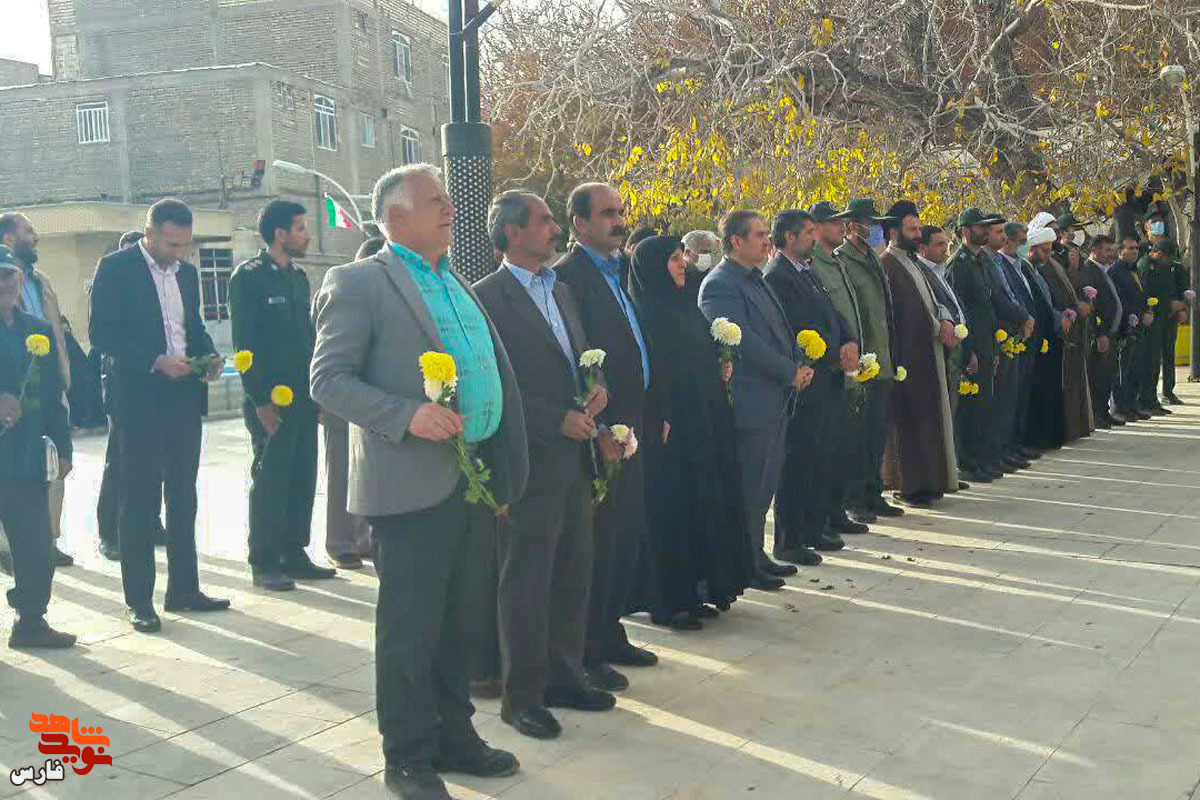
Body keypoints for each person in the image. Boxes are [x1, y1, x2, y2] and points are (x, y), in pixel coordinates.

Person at [310, 165, 528, 799]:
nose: (449, 207)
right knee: (411, 628)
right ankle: (406, 756)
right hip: (409, 486)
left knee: (461, 620)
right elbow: (328, 379)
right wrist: (407, 416)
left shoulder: (454, 281)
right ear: (395, 216)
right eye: (435, 199)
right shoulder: (359, 282)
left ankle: (455, 737)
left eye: (447, 198)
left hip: (472, 478)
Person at [474, 191, 615, 740]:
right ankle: (523, 698)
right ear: (512, 232)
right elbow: (494, 385)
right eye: (544, 221)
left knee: (573, 570)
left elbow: (580, 358)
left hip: (575, 459)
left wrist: (597, 388)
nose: (555, 228)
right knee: (526, 581)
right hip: (528, 460)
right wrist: (555, 420)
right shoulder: (488, 298)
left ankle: (565, 678)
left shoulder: (561, 290)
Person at [89, 199, 231, 633]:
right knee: (140, 499)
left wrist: (208, 357)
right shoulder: (115, 268)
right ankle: (139, 601)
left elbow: (193, 328)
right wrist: (154, 360)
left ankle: (184, 589)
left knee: (184, 496)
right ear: (149, 234)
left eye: (185, 244)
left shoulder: (186, 274)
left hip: (183, 396)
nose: (179, 253)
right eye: (172, 244)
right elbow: (102, 335)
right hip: (138, 399)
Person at [554, 182, 661, 693]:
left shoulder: (621, 270)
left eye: (620, 212)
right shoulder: (567, 278)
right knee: (596, 543)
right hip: (601, 430)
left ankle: (611, 631)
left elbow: (636, 346)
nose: (619, 221)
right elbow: (572, 357)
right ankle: (587, 649)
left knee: (623, 535)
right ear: (578, 223)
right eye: (606, 214)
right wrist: (598, 427)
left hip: (633, 423)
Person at [630, 235, 754, 622]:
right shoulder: (646, 313)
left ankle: (697, 589)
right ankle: (670, 600)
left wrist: (720, 362)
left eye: (680, 256)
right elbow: (655, 372)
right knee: (672, 512)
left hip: (702, 422)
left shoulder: (685, 305)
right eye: (673, 259)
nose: (683, 263)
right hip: (672, 429)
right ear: (654, 268)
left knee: (700, 507)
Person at [699, 210, 812, 591]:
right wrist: (788, 371)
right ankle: (743, 562)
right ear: (736, 241)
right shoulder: (720, 285)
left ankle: (756, 554)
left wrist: (799, 363)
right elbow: (743, 341)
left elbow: (779, 331)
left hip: (774, 399)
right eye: (760, 235)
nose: (767, 241)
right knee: (748, 488)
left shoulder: (756, 278)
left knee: (764, 487)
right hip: (751, 402)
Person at [229, 200, 336, 592]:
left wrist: (318, 391)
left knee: (302, 474)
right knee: (271, 479)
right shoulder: (249, 278)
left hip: (303, 396)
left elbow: (308, 339)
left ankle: (294, 551)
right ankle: (264, 560)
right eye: (300, 228)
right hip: (270, 400)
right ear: (280, 234)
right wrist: (260, 399)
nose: (307, 235)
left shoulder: (298, 278)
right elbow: (244, 345)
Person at [764, 210, 854, 564]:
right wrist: (834, 354)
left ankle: (813, 528)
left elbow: (833, 314)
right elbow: (797, 327)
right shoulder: (778, 276)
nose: (814, 238)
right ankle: (789, 539)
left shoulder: (807, 270)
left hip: (827, 376)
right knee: (798, 459)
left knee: (820, 455)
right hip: (806, 379)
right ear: (789, 237)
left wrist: (848, 341)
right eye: (808, 232)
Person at [0, 250, 75, 649]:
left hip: (24, 457)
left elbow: (51, 396)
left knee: (36, 546)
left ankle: (30, 620)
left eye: (9, 275)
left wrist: (63, 447)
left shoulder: (37, 330)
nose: (4, 284)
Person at [879, 202, 958, 506]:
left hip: (928, 354)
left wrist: (945, 320)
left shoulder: (912, 262)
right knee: (909, 424)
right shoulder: (888, 264)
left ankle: (931, 482)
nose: (917, 234)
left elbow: (933, 302)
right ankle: (910, 486)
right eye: (911, 229)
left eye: (917, 228)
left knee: (928, 421)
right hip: (907, 357)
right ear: (893, 232)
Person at [96, 230, 166, 562]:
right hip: (123, 387)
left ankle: (151, 523)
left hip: (157, 388)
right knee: (119, 463)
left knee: (154, 463)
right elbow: (104, 338)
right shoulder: (111, 276)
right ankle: (110, 533)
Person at [836, 199, 902, 521]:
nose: (875, 228)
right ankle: (855, 499)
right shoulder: (843, 260)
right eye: (869, 223)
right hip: (862, 363)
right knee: (857, 437)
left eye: (876, 223)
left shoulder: (873, 258)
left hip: (882, 360)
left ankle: (873, 493)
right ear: (852, 225)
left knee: (875, 435)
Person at [806, 201, 869, 534]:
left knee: (843, 447)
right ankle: (826, 516)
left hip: (850, 364)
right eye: (834, 222)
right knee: (827, 451)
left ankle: (837, 511)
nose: (841, 227)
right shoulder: (813, 265)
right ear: (815, 228)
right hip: (829, 369)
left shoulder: (836, 262)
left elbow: (845, 315)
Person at [322, 236, 382, 571]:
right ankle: (339, 543)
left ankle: (361, 539)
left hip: (371, 398)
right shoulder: (339, 290)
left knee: (366, 473)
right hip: (342, 398)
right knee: (341, 473)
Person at [946, 208, 1005, 483]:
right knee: (970, 409)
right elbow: (960, 312)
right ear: (965, 231)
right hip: (972, 347)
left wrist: (992, 347)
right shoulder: (958, 264)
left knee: (984, 407)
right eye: (980, 227)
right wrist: (968, 351)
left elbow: (988, 306)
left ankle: (981, 459)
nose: (985, 231)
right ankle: (968, 462)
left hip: (986, 343)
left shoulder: (980, 261)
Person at [1030, 215, 1094, 441]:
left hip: (1069, 327)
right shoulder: (1038, 263)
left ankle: (1074, 428)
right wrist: (1063, 316)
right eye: (1051, 230)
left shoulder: (1058, 259)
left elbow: (1069, 288)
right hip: (1053, 329)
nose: (1057, 235)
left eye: (1058, 230)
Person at [993, 223, 1040, 467]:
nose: (1024, 245)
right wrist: (1022, 318)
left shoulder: (1021, 265)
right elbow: (1003, 299)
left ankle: (1015, 445)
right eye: (1021, 241)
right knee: (1006, 399)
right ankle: (1004, 448)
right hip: (1009, 336)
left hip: (1024, 336)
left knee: (1019, 395)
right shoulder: (999, 263)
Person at [1079, 235, 1123, 428]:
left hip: (1111, 333)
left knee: (1107, 375)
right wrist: (1100, 333)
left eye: (1112, 250)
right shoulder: (1089, 271)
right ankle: (1098, 415)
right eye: (1107, 250)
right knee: (1098, 376)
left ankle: (1104, 412)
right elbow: (1094, 307)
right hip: (1100, 334)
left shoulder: (1103, 270)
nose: (1111, 254)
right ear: (1094, 250)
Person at [1139, 240, 1188, 412]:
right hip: (1154, 319)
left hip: (1168, 318)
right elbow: (1147, 294)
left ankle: (1167, 392)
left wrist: (1181, 307)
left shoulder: (1170, 267)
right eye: (1167, 257)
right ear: (1159, 253)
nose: (1168, 261)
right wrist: (1168, 305)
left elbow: (1177, 288)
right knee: (1152, 360)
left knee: (1168, 355)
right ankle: (1148, 398)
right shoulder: (1145, 266)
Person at [1110, 236, 1152, 422]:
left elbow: (1142, 295)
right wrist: (1133, 316)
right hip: (1125, 327)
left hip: (1139, 326)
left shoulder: (1135, 270)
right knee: (1123, 370)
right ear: (1120, 251)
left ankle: (1132, 405)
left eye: (1136, 248)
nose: (1135, 251)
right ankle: (1120, 407)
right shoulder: (1115, 271)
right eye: (1130, 248)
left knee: (1136, 368)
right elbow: (1119, 299)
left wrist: (1147, 311)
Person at [681, 229, 719, 297]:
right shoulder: (679, 279)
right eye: (704, 252)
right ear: (687, 253)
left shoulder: (711, 276)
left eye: (710, 252)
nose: (708, 256)